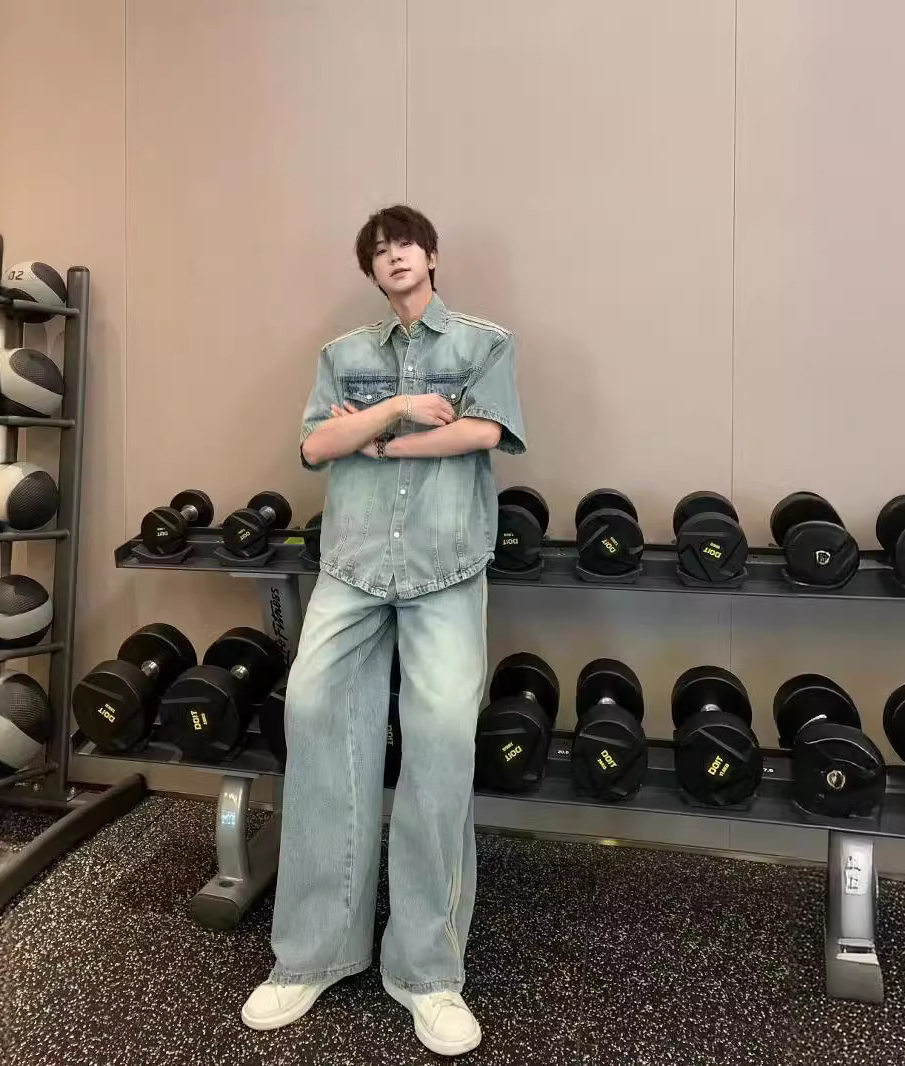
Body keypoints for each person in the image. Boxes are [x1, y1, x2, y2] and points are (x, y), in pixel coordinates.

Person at [241, 204, 526, 1057]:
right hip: (353, 566)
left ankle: (428, 975)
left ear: (431, 255)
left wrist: (376, 443)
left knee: (439, 744)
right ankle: (312, 955)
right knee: (315, 720)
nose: (392, 256)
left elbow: (485, 431)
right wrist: (401, 409)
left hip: (446, 569)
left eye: (404, 243)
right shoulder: (344, 355)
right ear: (369, 271)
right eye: (377, 250)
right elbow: (315, 447)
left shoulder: (483, 344)